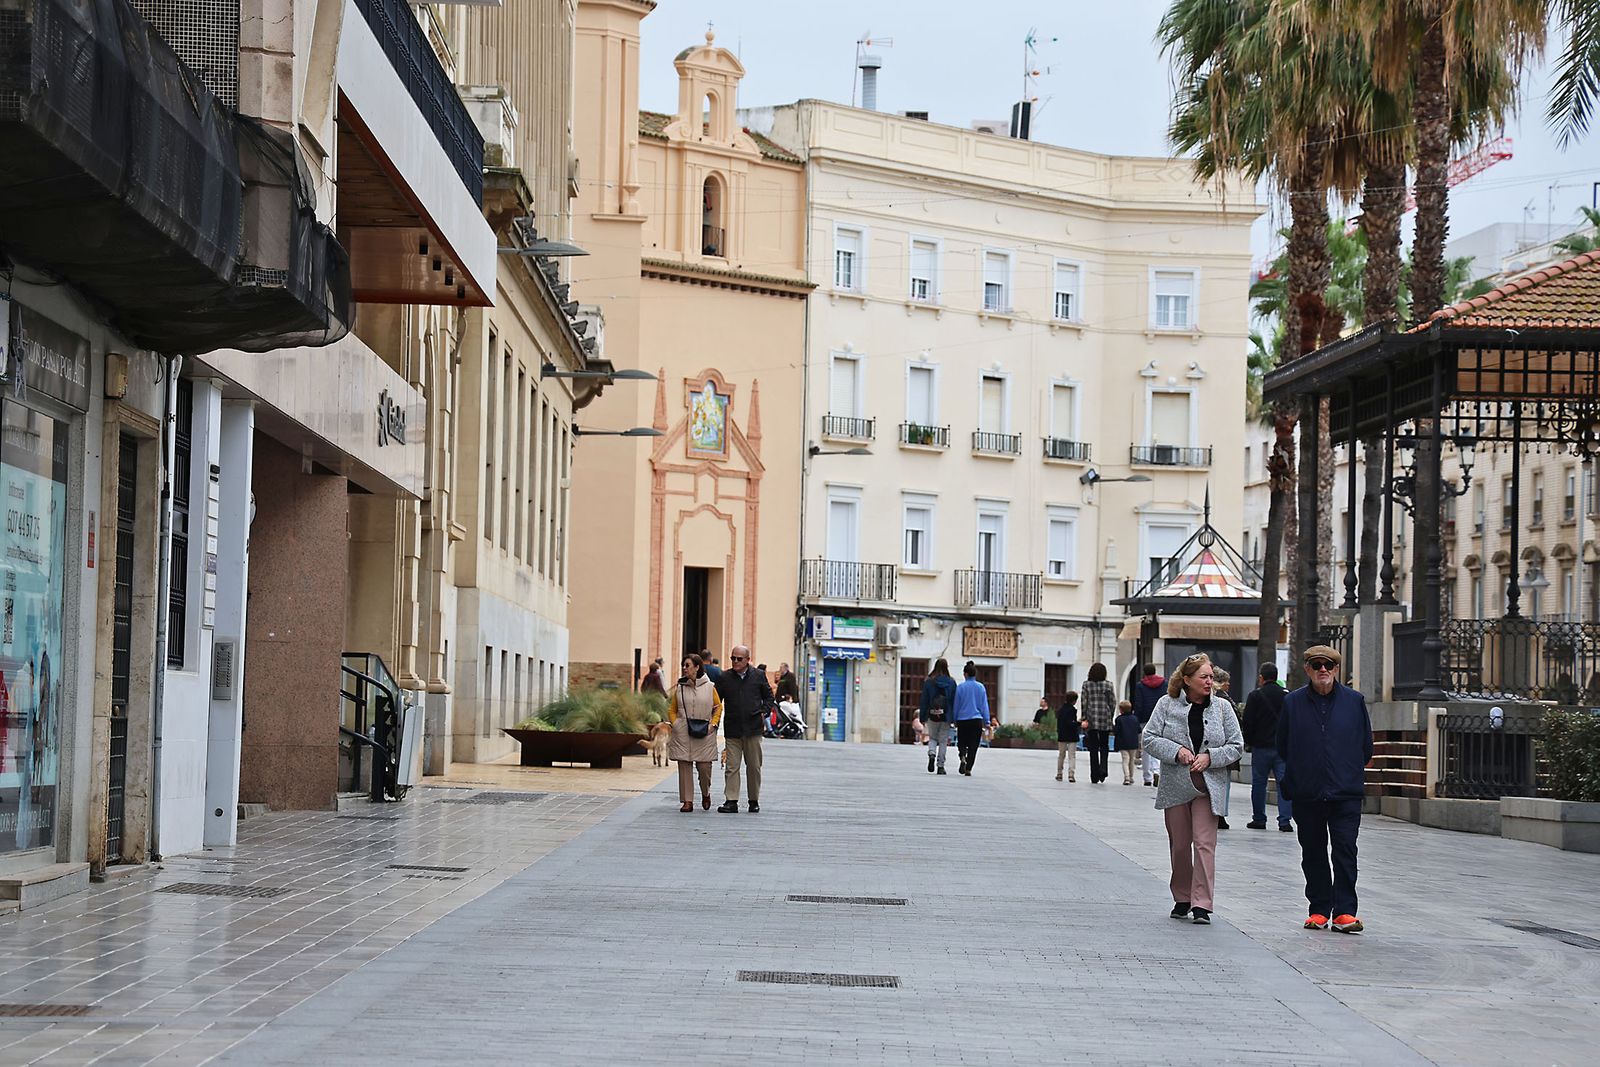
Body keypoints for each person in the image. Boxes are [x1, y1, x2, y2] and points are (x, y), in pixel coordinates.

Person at [1141, 653, 1243, 926]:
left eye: (1211, 677)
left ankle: (1202, 904)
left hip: (1209, 786)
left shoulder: (1222, 708)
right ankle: (1182, 897)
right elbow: (1149, 738)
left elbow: (1237, 745)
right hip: (1176, 785)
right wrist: (1177, 752)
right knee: (1179, 846)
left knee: (1205, 844)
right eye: (1204, 677)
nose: (1210, 682)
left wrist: (1211, 757)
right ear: (1187, 680)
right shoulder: (1166, 704)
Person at [1278, 645, 1373, 934]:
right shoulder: (1292, 703)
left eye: (1329, 665)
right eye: (1317, 665)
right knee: (1313, 852)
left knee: (1345, 850)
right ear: (1307, 668)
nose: (1323, 670)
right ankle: (1319, 909)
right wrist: (1296, 778)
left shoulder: (1354, 701)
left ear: (1336, 669)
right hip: (1307, 793)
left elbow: (1365, 745)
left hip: (1345, 792)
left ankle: (1345, 911)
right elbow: (1283, 745)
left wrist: (1349, 770)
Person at [714, 644, 772, 813]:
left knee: (754, 766)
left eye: (739, 659)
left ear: (748, 660)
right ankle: (731, 801)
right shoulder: (725, 677)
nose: (735, 661)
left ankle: (754, 800)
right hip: (733, 728)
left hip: (753, 728)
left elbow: (769, 697)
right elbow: (716, 701)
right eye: (733, 658)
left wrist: (763, 712)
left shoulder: (758, 676)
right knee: (732, 766)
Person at [667, 654, 721, 812]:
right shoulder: (680, 687)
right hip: (683, 730)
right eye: (684, 665)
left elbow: (718, 707)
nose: (684, 668)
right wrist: (675, 723)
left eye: (688, 665)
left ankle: (706, 793)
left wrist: (713, 724)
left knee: (704, 767)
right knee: (684, 765)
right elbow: (672, 709)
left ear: (697, 667)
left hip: (704, 731)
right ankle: (687, 801)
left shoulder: (710, 687)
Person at [1242, 663, 1292, 832]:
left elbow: (1248, 722)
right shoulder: (1287, 696)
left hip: (1261, 747)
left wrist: (1250, 742)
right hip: (1282, 748)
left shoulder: (1255, 696)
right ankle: (1285, 821)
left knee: (1259, 784)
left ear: (1261, 678)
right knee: (1283, 784)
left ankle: (1259, 818)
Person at [951, 661, 991, 776]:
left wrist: (955, 719)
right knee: (974, 745)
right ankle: (968, 768)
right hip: (976, 720)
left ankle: (962, 755)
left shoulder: (960, 687)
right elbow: (984, 705)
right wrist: (987, 720)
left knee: (962, 742)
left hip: (963, 720)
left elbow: (956, 705)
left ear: (965, 674)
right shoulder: (981, 687)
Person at [919, 658, 958, 774]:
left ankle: (931, 754)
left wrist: (922, 716)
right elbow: (954, 701)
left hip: (932, 714)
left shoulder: (929, 682)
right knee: (943, 740)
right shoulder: (951, 682)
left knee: (933, 738)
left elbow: (924, 700)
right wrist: (954, 717)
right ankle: (940, 766)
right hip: (946, 715)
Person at [1080, 663, 1116, 785]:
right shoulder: (1108, 685)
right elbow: (1112, 702)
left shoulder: (1086, 685)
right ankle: (1103, 769)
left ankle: (1094, 774)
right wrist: (1110, 715)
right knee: (1104, 745)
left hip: (1091, 718)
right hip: (1105, 718)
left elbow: (1084, 702)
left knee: (1093, 747)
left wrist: (1084, 717)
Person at [1131, 663, 1165, 786]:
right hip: (1160, 718)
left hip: (1145, 719)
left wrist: (1137, 719)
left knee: (1145, 748)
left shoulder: (1140, 686)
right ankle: (1156, 770)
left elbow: (1138, 704)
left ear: (1144, 672)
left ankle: (1147, 777)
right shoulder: (1164, 684)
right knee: (1157, 745)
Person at [1211, 668, 1234, 830]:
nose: (1228, 685)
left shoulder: (1216, 698)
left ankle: (1218, 814)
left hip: (1220, 749)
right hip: (1221, 749)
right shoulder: (1221, 700)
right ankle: (1219, 814)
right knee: (1222, 783)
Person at [1114, 700, 1142, 785]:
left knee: (1125, 760)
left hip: (1123, 743)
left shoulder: (1119, 719)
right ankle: (1131, 777)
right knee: (1131, 760)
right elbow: (1139, 730)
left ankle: (1126, 777)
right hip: (1133, 743)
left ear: (1121, 710)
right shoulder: (1135, 718)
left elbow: (1116, 731)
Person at [1056, 691, 1080, 782]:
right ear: (1074, 701)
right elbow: (1071, 723)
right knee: (1072, 756)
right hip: (1071, 736)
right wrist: (1079, 723)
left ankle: (1059, 773)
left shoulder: (1061, 709)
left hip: (1062, 735)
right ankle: (1071, 774)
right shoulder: (1072, 710)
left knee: (1061, 755)